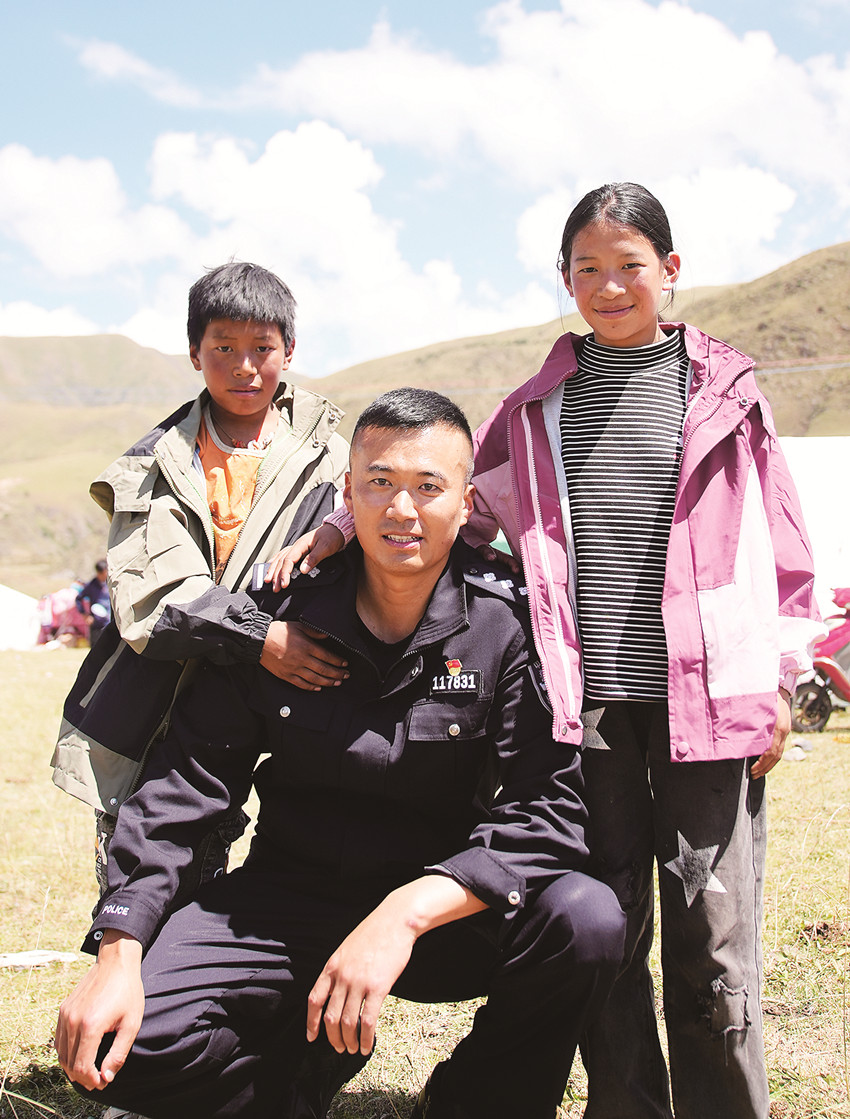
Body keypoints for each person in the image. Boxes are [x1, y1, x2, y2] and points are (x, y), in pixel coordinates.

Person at [277, 184, 824, 1119]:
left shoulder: (727, 396)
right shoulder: (534, 409)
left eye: (630, 266)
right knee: (611, 923)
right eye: (587, 268)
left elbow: (781, 544)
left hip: (709, 707)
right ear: (564, 277)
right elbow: (453, 504)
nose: (609, 286)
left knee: (714, 934)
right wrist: (337, 527)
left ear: (670, 270)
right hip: (583, 712)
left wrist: (781, 678)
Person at [54, 388, 625, 1119]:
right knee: (116, 1050)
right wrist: (119, 947)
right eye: (379, 482)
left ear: (465, 502)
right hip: (288, 900)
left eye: (428, 486)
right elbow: (184, 785)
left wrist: (405, 913)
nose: (401, 509)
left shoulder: (506, 626)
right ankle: (293, 1081)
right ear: (347, 495)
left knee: (585, 918)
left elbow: (546, 811)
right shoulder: (283, 617)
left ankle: (471, 1102)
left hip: (442, 909)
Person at [51, 261, 350, 895]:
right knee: (143, 860)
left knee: (256, 872)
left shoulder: (332, 455)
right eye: (224, 348)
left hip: (275, 701)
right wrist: (261, 637)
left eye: (262, 348)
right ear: (195, 354)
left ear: (289, 351)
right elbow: (154, 597)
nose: (245, 367)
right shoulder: (154, 463)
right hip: (158, 695)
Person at [76, 559, 112, 646]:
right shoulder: (91, 585)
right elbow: (78, 599)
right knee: (96, 647)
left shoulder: (111, 583)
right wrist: (85, 615)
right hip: (97, 623)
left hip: (110, 622)